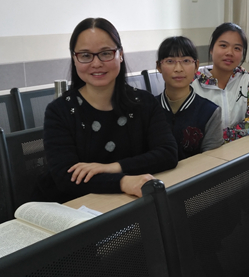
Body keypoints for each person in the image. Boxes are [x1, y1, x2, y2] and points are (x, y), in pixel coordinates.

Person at [36, 17, 178, 203]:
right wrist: (123, 182)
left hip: (132, 204)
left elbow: (168, 153)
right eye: (85, 55)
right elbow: (65, 176)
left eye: (105, 53)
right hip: (77, 208)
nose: (96, 63)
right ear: (74, 59)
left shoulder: (144, 103)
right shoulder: (59, 111)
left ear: (120, 55)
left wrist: (113, 167)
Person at [192, 22, 249, 142]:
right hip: (202, 151)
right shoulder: (192, 81)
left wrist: (220, 137)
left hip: (240, 149)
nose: (229, 52)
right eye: (223, 45)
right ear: (211, 49)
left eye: (237, 48)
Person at [155, 36, 224, 159]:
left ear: (196, 66)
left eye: (186, 61)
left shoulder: (210, 112)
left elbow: (213, 161)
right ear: (159, 66)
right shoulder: (148, 108)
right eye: (170, 61)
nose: (178, 69)